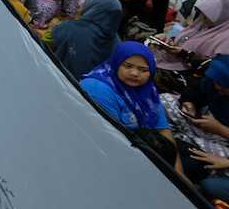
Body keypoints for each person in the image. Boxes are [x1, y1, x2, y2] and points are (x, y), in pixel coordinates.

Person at [80, 42, 187, 179]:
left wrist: (178, 173)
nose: (135, 73)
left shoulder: (147, 89)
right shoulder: (99, 88)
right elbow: (110, 139)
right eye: (128, 66)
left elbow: (162, 128)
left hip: (140, 139)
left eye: (143, 69)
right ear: (117, 63)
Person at [162, 55, 229, 188]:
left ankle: (175, 142)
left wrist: (220, 130)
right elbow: (196, 88)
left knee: (212, 163)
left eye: (223, 85)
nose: (217, 86)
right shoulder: (213, 81)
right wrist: (190, 103)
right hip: (204, 122)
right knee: (164, 102)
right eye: (216, 81)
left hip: (222, 141)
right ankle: (180, 142)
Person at [150, 0, 229, 92]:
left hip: (192, 74)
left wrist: (184, 54)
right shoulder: (202, 24)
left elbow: (213, 68)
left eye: (207, 17)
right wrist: (170, 41)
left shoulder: (225, 39)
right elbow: (186, 39)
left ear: (222, 17)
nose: (202, 19)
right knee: (139, 46)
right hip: (172, 60)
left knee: (148, 72)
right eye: (201, 14)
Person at [46, 0, 123, 78]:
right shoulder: (118, 44)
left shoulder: (69, 28)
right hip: (88, 86)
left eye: (86, 3)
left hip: (56, 78)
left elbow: (44, 45)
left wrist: (52, 29)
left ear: (93, 8)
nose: (81, 6)